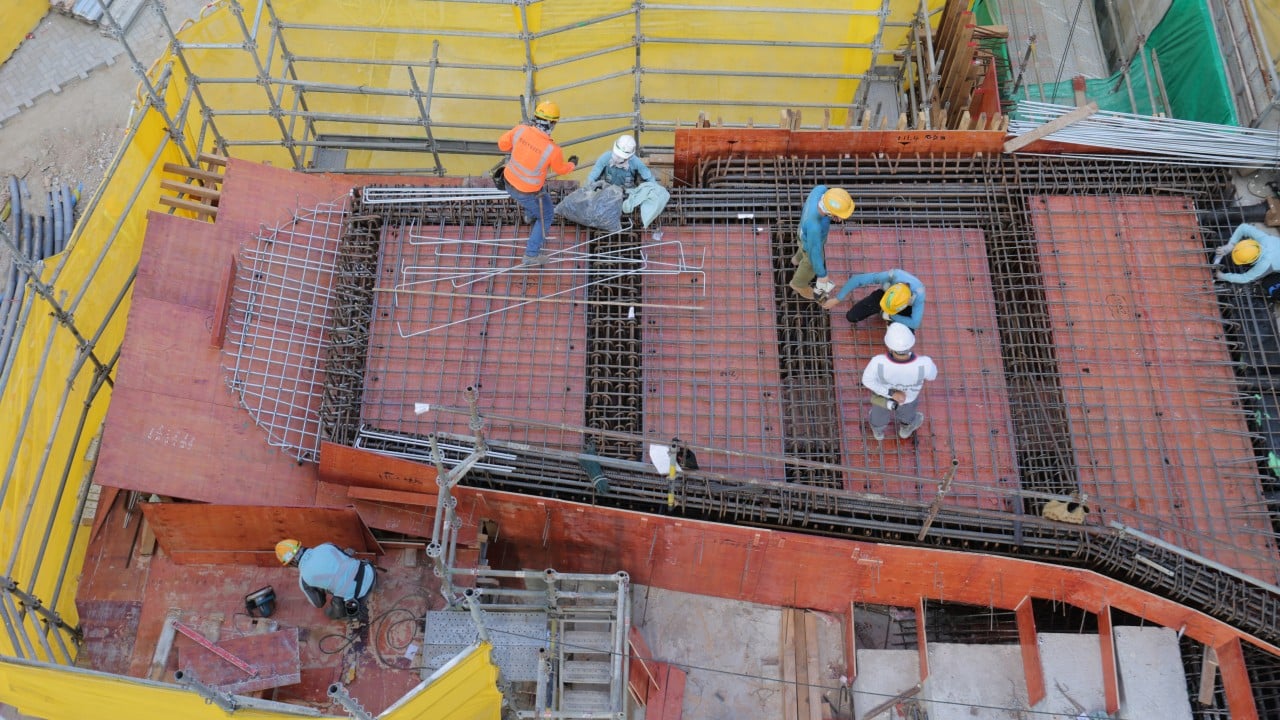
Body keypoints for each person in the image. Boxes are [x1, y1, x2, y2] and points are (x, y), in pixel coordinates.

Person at [497, 100, 578, 266]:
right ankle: (531, 255)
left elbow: (502, 145)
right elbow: (561, 169)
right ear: (553, 123)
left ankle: (530, 215)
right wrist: (572, 164)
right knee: (547, 215)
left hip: (508, 181)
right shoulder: (552, 150)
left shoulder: (521, 130)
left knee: (538, 202)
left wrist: (518, 131)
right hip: (527, 191)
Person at [861, 323, 938, 441]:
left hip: (883, 397)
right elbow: (932, 376)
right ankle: (905, 431)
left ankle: (878, 432)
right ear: (911, 343)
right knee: (908, 414)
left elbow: (867, 380)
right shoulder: (925, 363)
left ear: (889, 346)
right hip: (908, 398)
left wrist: (891, 393)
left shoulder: (878, 362)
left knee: (878, 415)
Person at [276, 539, 376, 621]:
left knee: (331, 610)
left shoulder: (304, 580)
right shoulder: (326, 546)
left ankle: (353, 615)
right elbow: (346, 556)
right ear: (300, 546)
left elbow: (319, 603)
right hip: (371, 572)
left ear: (290, 563)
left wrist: (321, 589)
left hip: (361, 594)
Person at [790, 186, 854, 300]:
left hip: (802, 231)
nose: (841, 219)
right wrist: (822, 275)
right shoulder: (814, 226)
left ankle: (796, 259)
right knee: (810, 263)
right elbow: (814, 252)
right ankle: (799, 284)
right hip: (810, 240)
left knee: (802, 247)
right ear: (830, 211)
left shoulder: (819, 190)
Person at [824, 268, 925, 330]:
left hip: (903, 309)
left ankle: (893, 321)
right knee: (852, 316)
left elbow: (915, 323)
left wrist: (892, 316)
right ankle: (884, 309)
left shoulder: (918, 294)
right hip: (883, 298)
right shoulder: (893, 276)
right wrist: (837, 299)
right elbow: (857, 279)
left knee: (906, 334)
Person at [1214, 223, 1280, 297]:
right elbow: (1244, 227)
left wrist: (1222, 276)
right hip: (1275, 249)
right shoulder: (1264, 239)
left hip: (1274, 263)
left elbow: (1246, 278)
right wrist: (1231, 245)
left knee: (1267, 283)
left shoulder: (1264, 264)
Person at [586, 134, 655, 189]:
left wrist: (656, 190)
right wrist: (586, 189)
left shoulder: (635, 162)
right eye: (616, 155)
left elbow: (649, 178)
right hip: (607, 194)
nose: (617, 159)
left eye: (621, 157)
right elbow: (592, 176)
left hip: (628, 195)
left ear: (629, 157)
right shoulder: (605, 157)